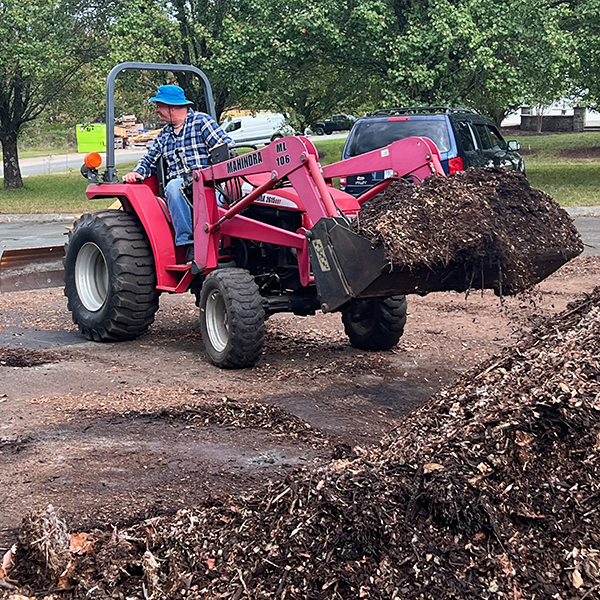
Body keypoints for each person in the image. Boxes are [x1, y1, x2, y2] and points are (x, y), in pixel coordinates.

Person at [123, 85, 233, 262]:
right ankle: (188, 243)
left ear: (172, 107)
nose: (157, 110)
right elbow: (149, 160)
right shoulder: (164, 135)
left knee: (237, 189)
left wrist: (214, 164)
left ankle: (227, 238)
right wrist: (136, 173)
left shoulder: (201, 122)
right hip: (181, 186)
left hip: (208, 181)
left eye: (159, 105)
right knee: (173, 187)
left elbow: (225, 146)